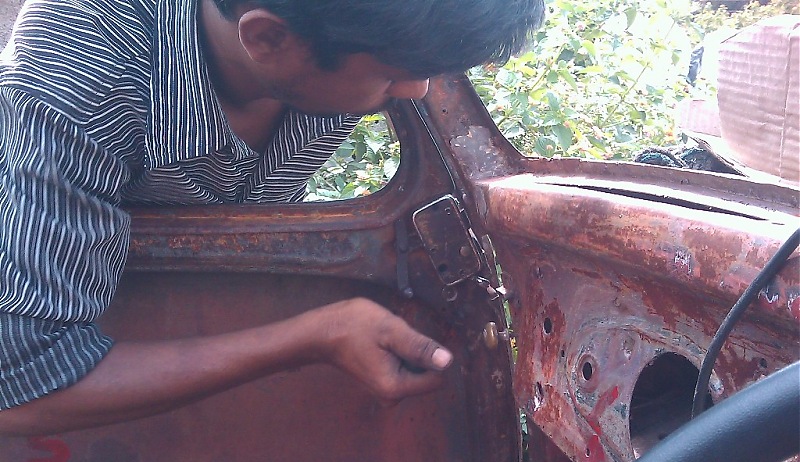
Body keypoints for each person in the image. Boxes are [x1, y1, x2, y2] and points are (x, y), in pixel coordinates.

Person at [0, 0, 545, 436]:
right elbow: (24, 384)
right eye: (395, 76)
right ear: (267, 39)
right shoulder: (75, 67)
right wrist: (310, 338)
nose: (417, 93)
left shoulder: (335, 51)